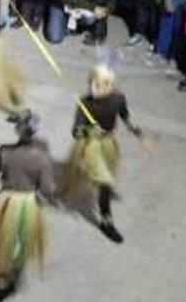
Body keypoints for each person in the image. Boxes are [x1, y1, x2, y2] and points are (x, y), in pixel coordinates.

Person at [63, 65, 149, 244]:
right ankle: (106, 221)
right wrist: (89, 131)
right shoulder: (84, 103)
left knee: (105, 183)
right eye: (94, 83)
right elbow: (76, 132)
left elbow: (126, 118)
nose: (96, 87)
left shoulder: (118, 99)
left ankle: (100, 203)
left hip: (109, 144)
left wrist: (139, 135)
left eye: (102, 83)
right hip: (93, 146)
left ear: (110, 84)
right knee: (105, 182)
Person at [0, 111, 54, 302]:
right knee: (21, 241)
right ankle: (11, 275)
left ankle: (1, 282)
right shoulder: (42, 158)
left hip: (5, 200)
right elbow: (46, 190)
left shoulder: (4, 151)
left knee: (1, 239)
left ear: (18, 130)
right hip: (27, 202)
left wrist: (0, 156)